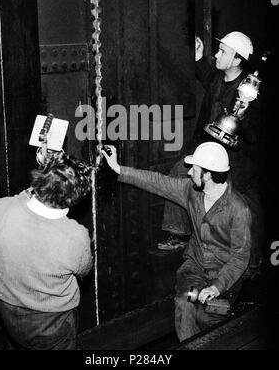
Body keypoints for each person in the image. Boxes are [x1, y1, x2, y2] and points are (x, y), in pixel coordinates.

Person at [102, 142, 251, 342]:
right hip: (195, 271)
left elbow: (240, 258)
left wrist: (216, 287)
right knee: (185, 301)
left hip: (224, 277)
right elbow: (157, 181)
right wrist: (119, 169)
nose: (189, 174)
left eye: (195, 170)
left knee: (208, 316)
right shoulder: (191, 191)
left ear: (208, 175)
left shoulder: (238, 209)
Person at [159, 32, 263, 271]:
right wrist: (198, 59)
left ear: (237, 60)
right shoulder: (220, 76)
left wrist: (244, 120)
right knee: (179, 170)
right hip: (210, 150)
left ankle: (251, 260)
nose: (217, 54)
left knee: (246, 205)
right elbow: (209, 78)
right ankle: (178, 233)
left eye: (223, 52)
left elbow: (254, 135)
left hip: (237, 159)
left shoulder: (249, 91)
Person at [0, 151, 93, 350]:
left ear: (39, 180)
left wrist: (47, 175)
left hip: (8, 314)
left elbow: (20, 199)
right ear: (75, 198)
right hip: (52, 323)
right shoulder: (75, 236)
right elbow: (84, 270)